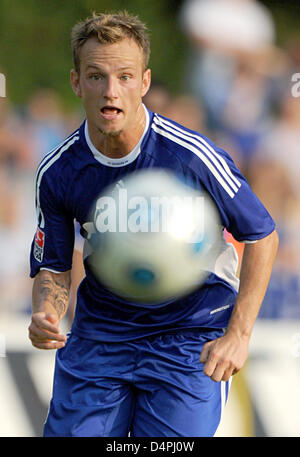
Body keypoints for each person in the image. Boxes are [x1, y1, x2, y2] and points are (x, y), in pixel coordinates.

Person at [28, 11, 278, 437]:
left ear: (144, 83)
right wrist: (47, 312)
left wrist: (238, 334)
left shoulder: (192, 156)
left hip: (190, 337)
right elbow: (54, 266)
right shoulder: (58, 172)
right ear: (76, 82)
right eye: (96, 76)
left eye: (125, 77)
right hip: (101, 338)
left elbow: (262, 234)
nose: (111, 91)